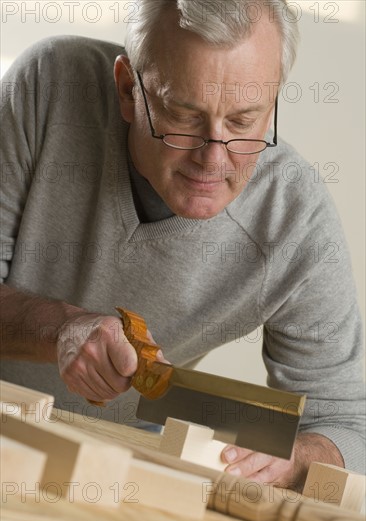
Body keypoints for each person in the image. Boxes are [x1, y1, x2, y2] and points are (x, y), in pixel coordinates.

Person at [0, 0, 364, 490]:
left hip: (116, 455)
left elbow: (349, 423)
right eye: (184, 115)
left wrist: (297, 459)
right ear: (129, 89)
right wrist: (60, 329)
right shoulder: (48, 86)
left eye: (243, 121)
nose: (213, 160)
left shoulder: (295, 219)